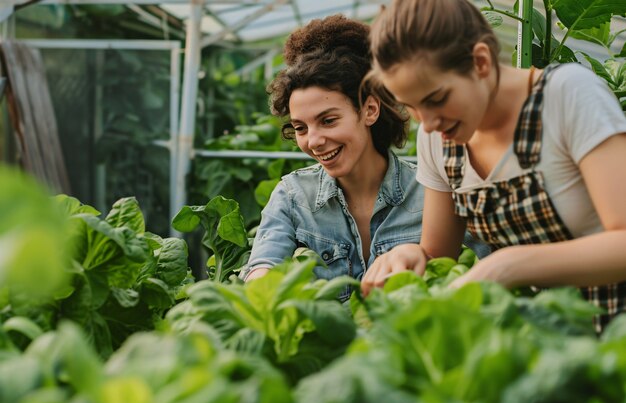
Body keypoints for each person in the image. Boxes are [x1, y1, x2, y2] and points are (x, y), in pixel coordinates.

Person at [361, 0, 626, 331]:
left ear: (481, 61)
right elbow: (438, 253)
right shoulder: (440, 136)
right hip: (539, 343)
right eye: (411, 107)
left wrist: (510, 264)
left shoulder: (567, 95)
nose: (425, 124)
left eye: (436, 99)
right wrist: (410, 255)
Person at [239, 14, 489, 301]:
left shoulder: (433, 191)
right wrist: (263, 285)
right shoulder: (293, 196)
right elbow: (262, 266)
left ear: (370, 110)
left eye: (329, 120)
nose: (314, 140)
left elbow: (485, 267)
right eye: (300, 128)